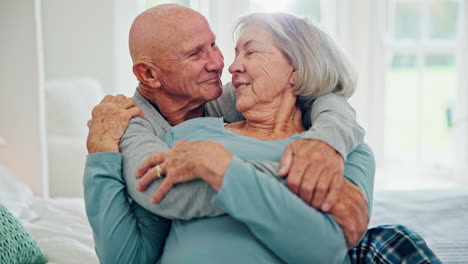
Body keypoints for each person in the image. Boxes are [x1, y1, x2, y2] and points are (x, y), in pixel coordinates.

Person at [84, 5, 440, 264]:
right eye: (196, 53)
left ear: (296, 72)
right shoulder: (164, 131)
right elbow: (163, 200)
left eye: (245, 51)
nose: (224, 64)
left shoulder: (346, 152)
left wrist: (324, 146)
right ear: (148, 75)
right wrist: (308, 184)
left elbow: (331, 100)